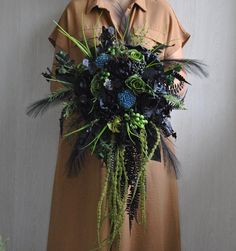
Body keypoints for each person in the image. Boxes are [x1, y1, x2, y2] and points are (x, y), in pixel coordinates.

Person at [46, 0, 190, 250]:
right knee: (84, 234)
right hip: (89, 152)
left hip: (146, 151)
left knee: (148, 233)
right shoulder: (76, 10)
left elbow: (179, 83)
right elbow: (58, 83)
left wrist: (145, 94)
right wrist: (96, 93)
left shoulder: (161, 10)